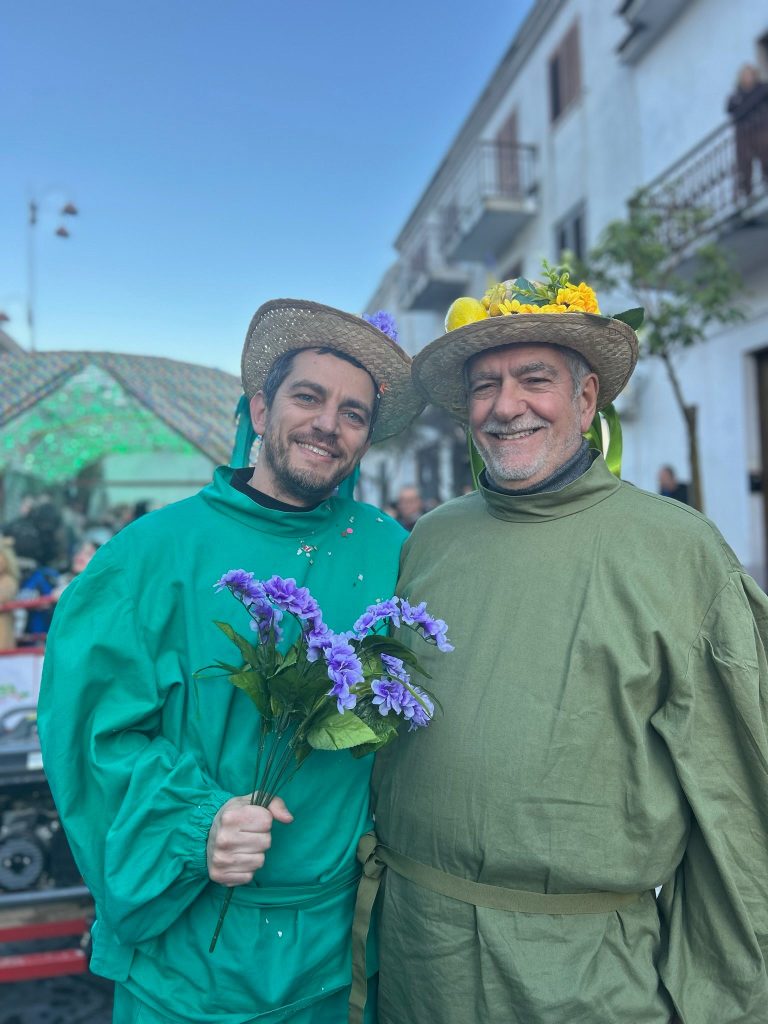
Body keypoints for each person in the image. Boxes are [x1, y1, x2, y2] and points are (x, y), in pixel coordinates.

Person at [367, 274, 768, 1023]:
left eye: (535, 379)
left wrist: (728, 1001)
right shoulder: (430, 539)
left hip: (586, 976)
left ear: (587, 402)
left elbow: (738, 803)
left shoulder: (679, 551)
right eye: (485, 385)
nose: (505, 405)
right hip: (419, 956)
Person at [38, 299, 424, 1024]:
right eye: (307, 397)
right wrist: (195, 823)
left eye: (353, 413)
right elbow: (90, 741)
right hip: (190, 966)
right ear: (260, 405)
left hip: (341, 964)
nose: (327, 424)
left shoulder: (394, 551)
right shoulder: (148, 558)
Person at [727, 63, 768, 200]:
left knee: (765, 157)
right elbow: (731, 109)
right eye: (745, 76)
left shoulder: (762, 89)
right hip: (744, 134)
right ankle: (747, 194)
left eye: (749, 75)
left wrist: (744, 107)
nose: (747, 78)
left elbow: (738, 110)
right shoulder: (736, 95)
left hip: (762, 130)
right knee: (744, 164)